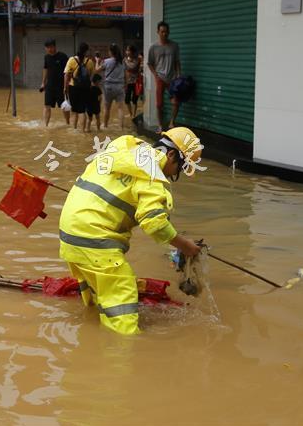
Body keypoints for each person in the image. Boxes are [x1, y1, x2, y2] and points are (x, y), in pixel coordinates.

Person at [58, 127, 204, 335]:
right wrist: (186, 246)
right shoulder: (152, 176)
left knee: (99, 290)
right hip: (95, 239)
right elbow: (155, 225)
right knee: (122, 303)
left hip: (69, 233)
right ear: (171, 155)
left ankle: (90, 336)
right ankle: (123, 355)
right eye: (179, 168)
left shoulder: (124, 147)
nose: (174, 174)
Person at [147, 21, 181, 130]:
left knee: (175, 102)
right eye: (162, 32)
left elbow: (177, 61)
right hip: (160, 78)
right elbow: (149, 63)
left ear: (169, 32)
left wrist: (179, 75)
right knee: (159, 104)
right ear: (158, 32)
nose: (164, 34)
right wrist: (155, 75)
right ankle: (160, 125)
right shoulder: (153, 47)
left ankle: (172, 122)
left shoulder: (174, 46)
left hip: (172, 79)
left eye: (166, 32)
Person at [63, 42, 95, 131]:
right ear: (86, 51)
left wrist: (65, 88)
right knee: (82, 110)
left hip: (73, 87)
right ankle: (83, 131)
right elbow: (92, 76)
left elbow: (66, 75)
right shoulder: (90, 62)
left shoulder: (72, 60)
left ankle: (74, 129)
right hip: (85, 88)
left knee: (74, 111)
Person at [40, 39, 69, 126]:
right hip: (50, 86)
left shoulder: (63, 56)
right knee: (47, 106)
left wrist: (67, 85)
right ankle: (46, 125)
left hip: (61, 86)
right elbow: (45, 69)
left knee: (64, 107)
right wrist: (43, 83)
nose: (49, 49)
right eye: (47, 47)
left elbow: (68, 71)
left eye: (51, 47)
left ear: (55, 46)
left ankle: (68, 124)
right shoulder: (46, 57)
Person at [99, 43, 126, 129]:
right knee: (120, 108)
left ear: (110, 52)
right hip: (120, 87)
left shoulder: (106, 61)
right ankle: (121, 127)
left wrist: (97, 61)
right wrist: (126, 85)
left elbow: (97, 70)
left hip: (108, 87)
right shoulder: (122, 62)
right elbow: (126, 75)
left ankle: (105, 126)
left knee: (107, 108)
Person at [124, 45, 141, 119]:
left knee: (135, 99)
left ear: (132, 52)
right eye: (126, 50)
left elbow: (132, 67)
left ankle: (134, 114)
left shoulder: (137, 60)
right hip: (128, 82)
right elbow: (124, 70)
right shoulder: (124, 60)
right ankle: (130, 114)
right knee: (127, 100)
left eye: (128, 50)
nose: (127, 52)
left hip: (135, 82)